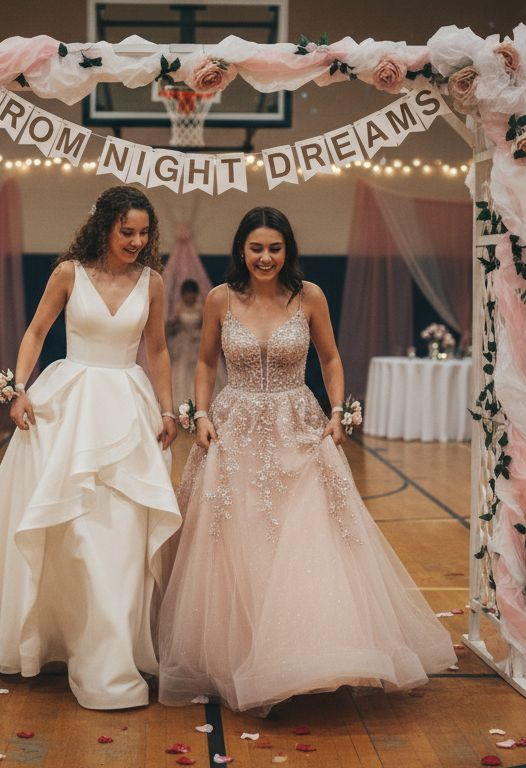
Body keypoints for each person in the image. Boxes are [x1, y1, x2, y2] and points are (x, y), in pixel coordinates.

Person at [156, 207, 456, 714]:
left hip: (298, 424)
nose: (266, 257)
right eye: (256, 248)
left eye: (275, 248)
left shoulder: (310, 296)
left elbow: (331, 358)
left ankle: (311, 652)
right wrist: (202, 413)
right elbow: (206, 361)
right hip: (235, 428)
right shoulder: (220, 299)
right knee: (238, 540)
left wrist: (338, 411)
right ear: (242, 251)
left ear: (287, 250)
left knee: (309, 537)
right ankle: (241, 655)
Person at [0, 186, 181, 710]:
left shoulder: (154, 283)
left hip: (128, 409)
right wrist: (19, 387)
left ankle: (112, 656)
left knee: (119, 540)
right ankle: (65, 640)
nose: (137, 242)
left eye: (144, 233)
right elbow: (36, 331)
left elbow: (156, 349)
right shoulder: (69, 273)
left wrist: (166, 408)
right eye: (127, 232)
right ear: (105, 227)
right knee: (73, 535)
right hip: (70, 409)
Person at [167, 279, 204, 403]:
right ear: (183, 294)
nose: (189, 296)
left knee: (198, 370)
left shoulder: (200, 307)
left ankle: (200, 398)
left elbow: (206, 325)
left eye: (192, 293)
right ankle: (182, 400)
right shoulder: (179, 307)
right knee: (180, 372)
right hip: (182, 343)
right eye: (187, 293)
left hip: (197, 342)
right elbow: (172, 324)